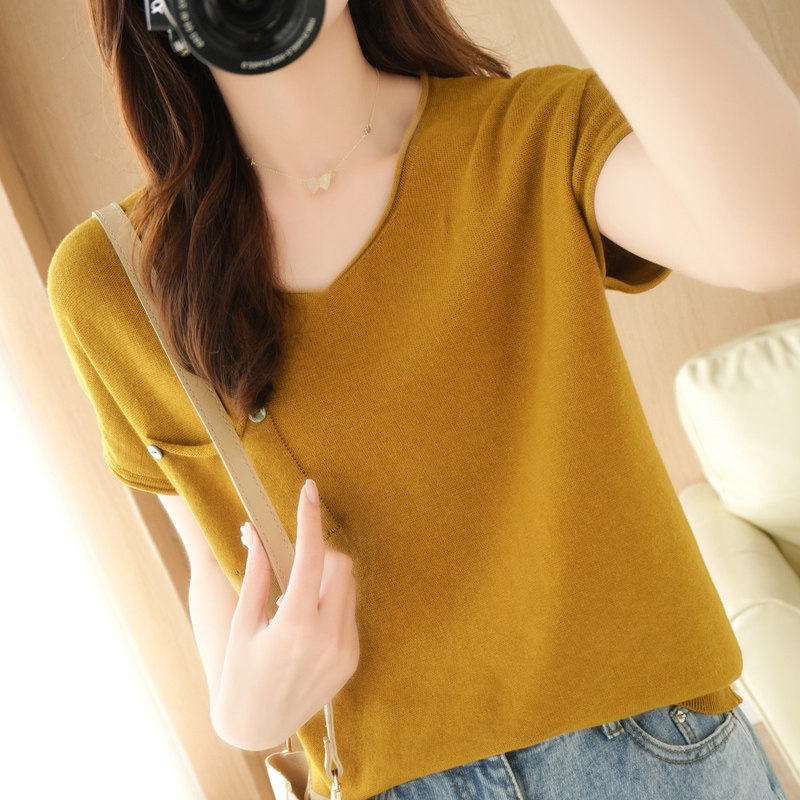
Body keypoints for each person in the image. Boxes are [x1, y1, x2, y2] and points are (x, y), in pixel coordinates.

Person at [47, 0, 799, 798]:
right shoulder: (116, 280)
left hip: (654, 757)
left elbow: (775, 229)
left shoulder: (532, 133)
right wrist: (242, 718)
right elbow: (214, 552)